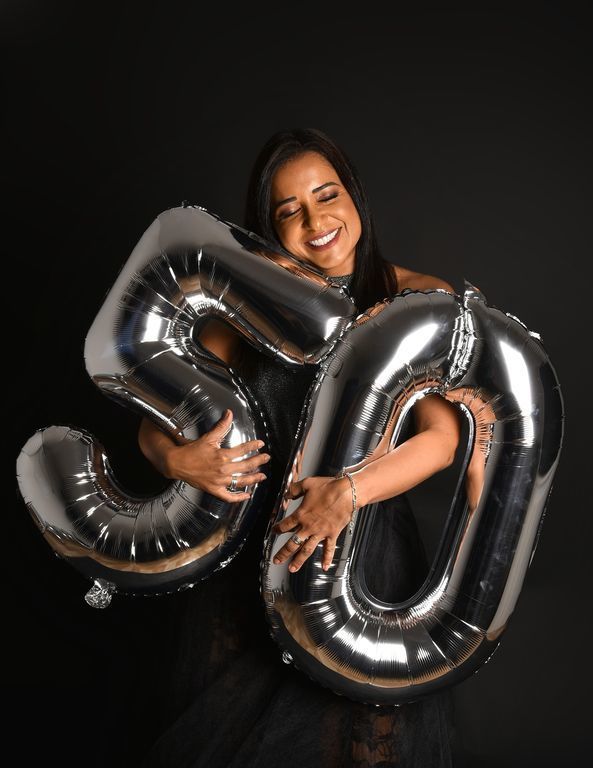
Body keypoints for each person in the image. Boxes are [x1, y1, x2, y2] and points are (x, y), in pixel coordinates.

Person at [136, 128, 462, 767]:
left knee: (358, 741)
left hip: (362, 552)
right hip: (246, 560)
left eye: (327, 195)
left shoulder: (417, 298)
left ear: (355, 197)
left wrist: (348, 491)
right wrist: (174, 459)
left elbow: (442, 439)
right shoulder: (242, 308)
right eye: (290, 210)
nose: (316, 222)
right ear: (270, 226)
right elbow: (154, 421)